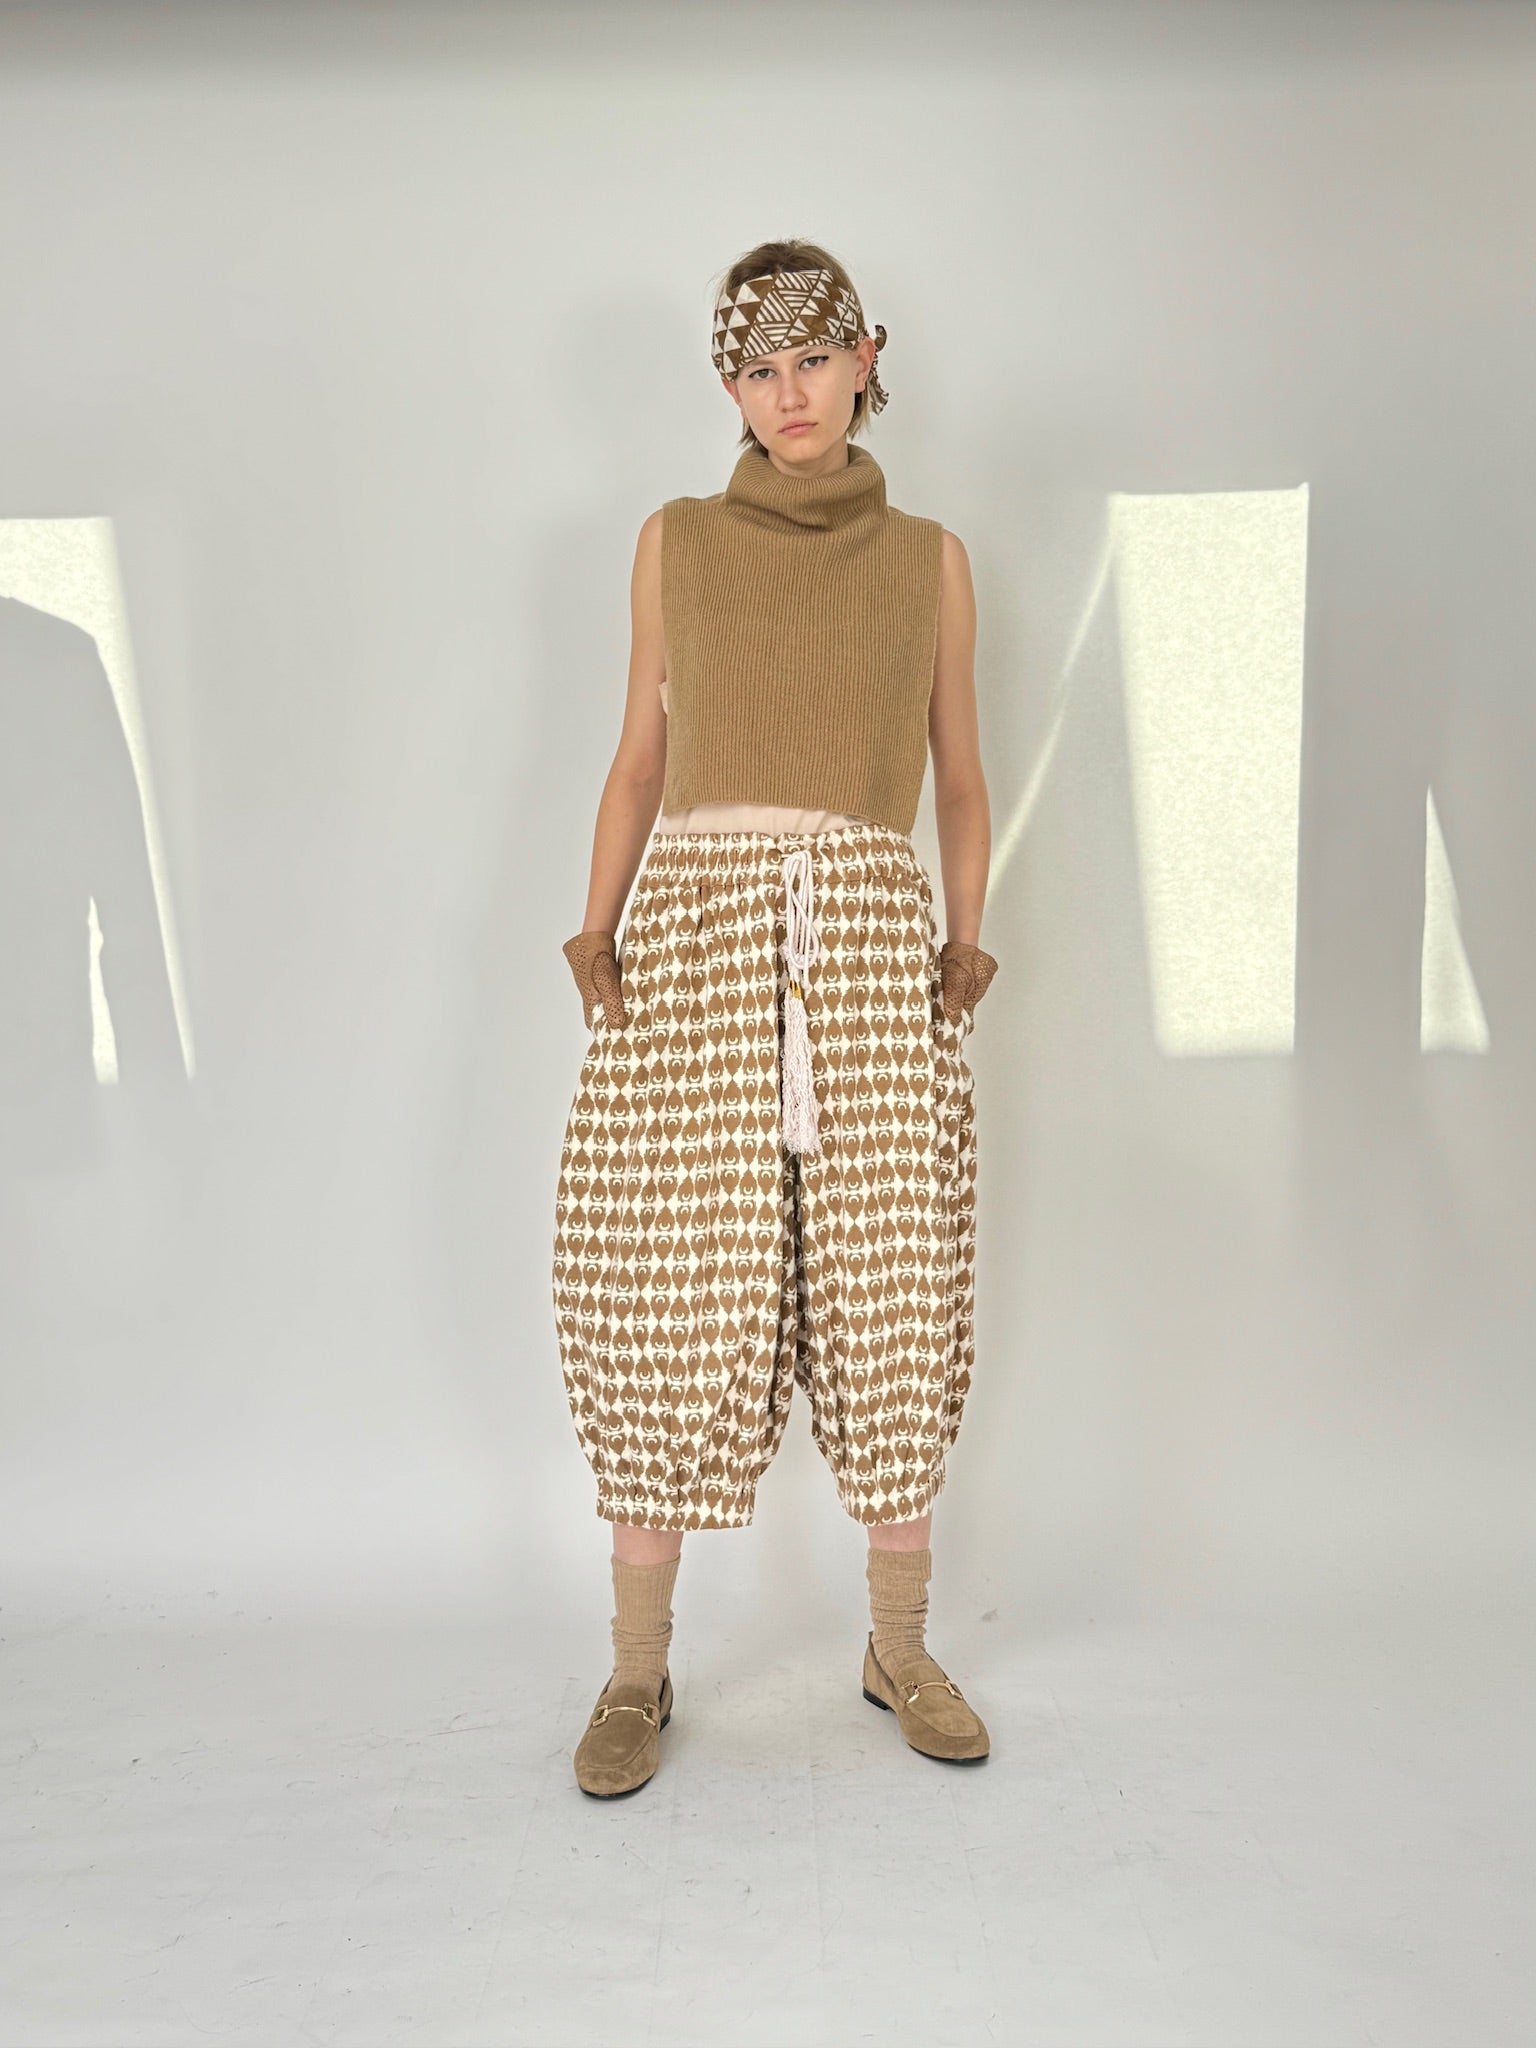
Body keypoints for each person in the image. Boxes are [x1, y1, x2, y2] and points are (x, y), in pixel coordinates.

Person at [552, 239, 1000, 1798]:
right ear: (727, 386)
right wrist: (597, 928)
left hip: (870, 945)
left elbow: (960, 773)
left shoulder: (929, 559)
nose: (788, 393)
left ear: (868, 358)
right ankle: (636, 1665)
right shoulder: (676, 542)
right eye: (756, 367)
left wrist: (966, 939)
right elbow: (638, 760)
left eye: (813, 358)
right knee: (660, 1285)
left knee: (893, 1284)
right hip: (696, 943)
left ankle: (900, 1644)